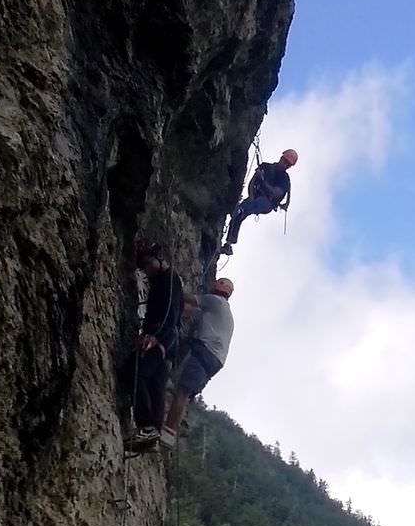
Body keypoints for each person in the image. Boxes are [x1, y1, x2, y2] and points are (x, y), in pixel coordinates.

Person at [118, 238, 184, 451]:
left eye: (147, 264)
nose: (147, 269)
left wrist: (155, 337)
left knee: (133, 370)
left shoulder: (169, 279)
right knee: (156, 385)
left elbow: (170, 314)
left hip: (161, 339)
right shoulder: (163, 280)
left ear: (157, 258)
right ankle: (152, 433)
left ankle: (146, 427)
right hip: (168, 344)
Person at [161, 277, 234, 447]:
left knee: (182, 392)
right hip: (214, 360)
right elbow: (190, 311)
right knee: (184, 392)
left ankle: (168, 432)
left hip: (205, 352)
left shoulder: (216, 302)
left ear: (218, 286)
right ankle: (171, 423)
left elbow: (186, 298)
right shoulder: (219, 311)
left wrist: (166, 283)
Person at [220, 148, 297, 255]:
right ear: (281, 158)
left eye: (288, 165)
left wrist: (263, 181)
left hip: (266, 203)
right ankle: (228, 244)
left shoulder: (284, 179)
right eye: (285, 162)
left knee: (242, 210)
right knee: (238, 212)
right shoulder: (266, 166)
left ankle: (229, 243)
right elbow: (252, 182)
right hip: (255, 197)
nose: (285, 165)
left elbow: (276, 193)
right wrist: (251, 195)